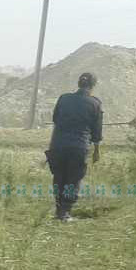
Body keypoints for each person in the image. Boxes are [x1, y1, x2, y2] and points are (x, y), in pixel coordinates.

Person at [47, 72, 103, 221]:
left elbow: (55, 119)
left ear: (79, 84)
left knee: (59, 176)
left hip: (58, 144)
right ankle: (65, 212)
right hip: (78, 146)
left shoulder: (63, 98)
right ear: (93, 86)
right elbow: (97, 132)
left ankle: (59, 210)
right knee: (73, 178)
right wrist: (96, 151)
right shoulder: (95, 104)